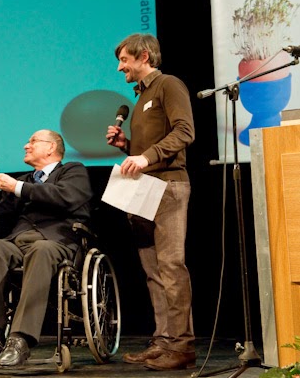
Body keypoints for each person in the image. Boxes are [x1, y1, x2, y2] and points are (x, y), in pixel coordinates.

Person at [0, 129, 93, 367]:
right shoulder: (24, 180)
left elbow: (66, 197)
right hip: (18, 242)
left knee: (41, 249)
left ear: (51, 147)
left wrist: (16, 186)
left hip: (55, 241)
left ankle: (20, 339)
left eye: (33, 142)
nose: (26, 146)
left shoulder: (72, 171)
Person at [105, 33, 196, 371]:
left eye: (124, 60)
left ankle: (182, 345)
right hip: (143, 190)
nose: (119, 67)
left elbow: (185, 132)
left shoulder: (168, 85)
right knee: (153, 271)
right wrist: (127, 147)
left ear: (143, 56)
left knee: (172, 266)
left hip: (169, 187)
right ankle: (163, 340)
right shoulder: (141, 96)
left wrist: (145, 157)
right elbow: (146, 153)